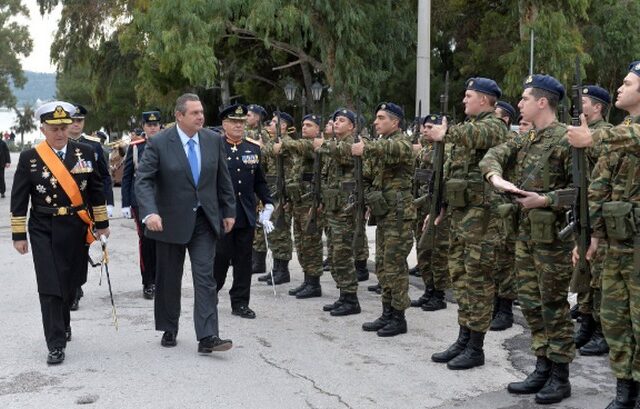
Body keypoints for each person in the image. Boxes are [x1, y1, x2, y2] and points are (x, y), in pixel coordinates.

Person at [481, 74, 574, 404]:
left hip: (552, 240)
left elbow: (583, 193)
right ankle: (541, 365)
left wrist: (545, 200)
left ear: (542, 102)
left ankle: (560, 376)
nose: (518, 104)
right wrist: (495, 176)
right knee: (532, 304)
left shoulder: (567, 140)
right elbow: (493, 153)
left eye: (523, 99)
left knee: (553, 306)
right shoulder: (526, 138)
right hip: (524, 235)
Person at [135, 93, 236, 354]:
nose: (201, 116)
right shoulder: (159, 143)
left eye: (201, 112)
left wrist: (228, 211)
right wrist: (150, 213)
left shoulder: (213, 140)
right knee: (169, 278)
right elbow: (143, 180)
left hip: (204, 220)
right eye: (194, 113)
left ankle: (208, 336)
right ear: (179, 116)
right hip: (168, 222)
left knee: (205, 278)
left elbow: (223, 179)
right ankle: (169, 326)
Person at [10, 101, 110, 364]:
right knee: (50, 285)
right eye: (54, 128)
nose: (60, 132)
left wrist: (101, 224)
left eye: (64, 127)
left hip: (76, 226)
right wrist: (19, 235)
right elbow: (19, 199)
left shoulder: (85, 152)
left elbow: (96, 190)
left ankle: (64, 322)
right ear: (43, 129)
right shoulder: (30, 157)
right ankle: (55, 343)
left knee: (70, 282)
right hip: (44, 227)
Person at [567, 61, 640, 408]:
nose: (620, 89)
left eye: (627, 83)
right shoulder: (623, 129)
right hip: (615, 241)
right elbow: (599, 184)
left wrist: (593, 134)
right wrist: (591, 235)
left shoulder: (624, 132)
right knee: (614, 319)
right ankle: (625, 389)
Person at [353, 102, 416, 336]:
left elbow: (396, 151)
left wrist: (365, 148)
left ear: (395, 122)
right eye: (376, 118)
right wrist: (370, 195)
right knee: (382, 264)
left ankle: (399, 317)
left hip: (399, 214)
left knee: (395, 265)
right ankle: (387, 312)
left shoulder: (401, 143)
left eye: (381, 118)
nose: (376, 122)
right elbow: (368, 175)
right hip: (384, 212)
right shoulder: (380, 145)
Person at [213, 104, 273, 319]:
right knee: (219, 258)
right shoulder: (215, 147)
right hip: (222, 215)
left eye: (241, 122)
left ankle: (240, 302)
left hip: (246, 214)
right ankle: (211, 294)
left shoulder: (253, 148)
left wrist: (268, 203)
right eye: (233, 122)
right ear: (224, 124)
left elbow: (259, 181)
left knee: (243, 261)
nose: (238, 126)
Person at [572, 85, 613, 357]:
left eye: (584, 101)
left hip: (601, 212)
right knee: (583, 267)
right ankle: (586, 321)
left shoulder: (606, 134)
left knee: (597, 273)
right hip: (584, 206)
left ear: (597, 107)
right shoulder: (579, 133)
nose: (580, 105)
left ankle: (599, 329)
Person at [314, 108, 362, 316]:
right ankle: (344, 295)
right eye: (334, 120)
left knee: (343, 253)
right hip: (334, 205)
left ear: (351, 126)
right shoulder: (334, 145)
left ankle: (351, 299)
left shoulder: (353, 143)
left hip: (346, 208)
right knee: (334, 253)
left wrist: (322, 144)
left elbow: (344, 152)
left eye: (341, 120)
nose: (336, 123)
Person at [68, 104, 114, 311]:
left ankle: (75, 287)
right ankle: (72, 287)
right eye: (73, 120)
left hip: (86, 207)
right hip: (64, 206)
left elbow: (103, 176)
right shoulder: (57, 145)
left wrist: (107, 203)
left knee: (80, 248)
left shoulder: (93, 146)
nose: (76, 124)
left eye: (80, 121)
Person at [274, 113, 324, 299]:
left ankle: (314, 282)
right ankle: (307, 280)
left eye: (309, 125)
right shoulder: (302, 146)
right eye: (303, 124)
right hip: (299, 202)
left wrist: (283, 144)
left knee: (311, 243)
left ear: (318, 129)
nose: (304, 128)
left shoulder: (316, 145)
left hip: (310, 203)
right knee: (301, 243)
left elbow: (303, 146)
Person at [410, 114, 450, 312]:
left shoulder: (445, 149)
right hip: (421, 206)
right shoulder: (423, 150)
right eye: (424, 127)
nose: (425, 130)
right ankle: (429, 288)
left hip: (437, 207)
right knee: (423, 250)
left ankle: (439, 294)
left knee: (438, 252)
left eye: (430, 127)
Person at [121, 110, 163, 299]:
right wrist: (125, 203)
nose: (153, 128)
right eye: (149, 125)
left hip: (164, 200)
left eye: (156, 124)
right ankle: (149, 282)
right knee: (146, 241)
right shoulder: (136, 147)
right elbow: (127, 175)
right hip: (141, 201)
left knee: (164, 241)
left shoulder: (169, 144)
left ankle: (162, 280)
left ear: (160, 126)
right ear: (144, 127)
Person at [256, 111, 295, 285]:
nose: (270, 124)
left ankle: (283, 270)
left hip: (282, 191)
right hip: (271, 189)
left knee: (281, 231)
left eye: (274, 122)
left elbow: (290, 168)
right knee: (273, 231)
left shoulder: (287, 142)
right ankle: (276, 268)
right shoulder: (273, 142)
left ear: (284, 126)